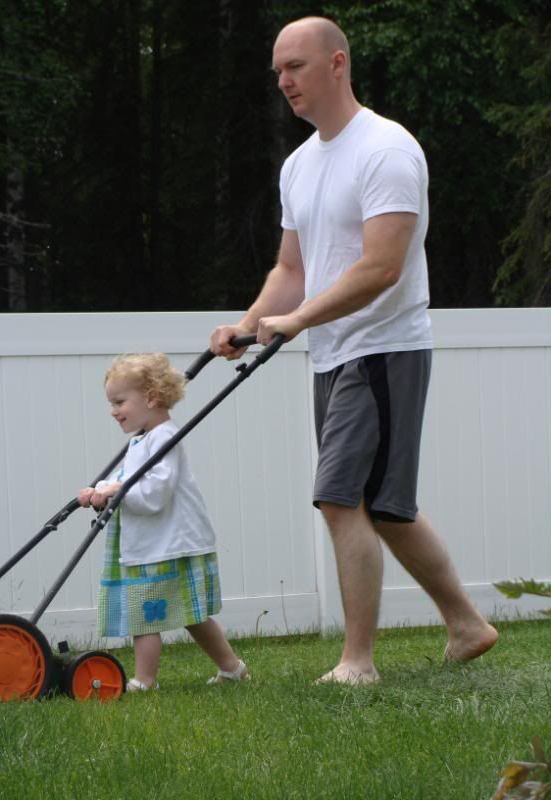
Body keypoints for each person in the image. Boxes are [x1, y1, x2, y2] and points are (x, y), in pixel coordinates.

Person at [210, 16, 497, 684]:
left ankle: (357, 662)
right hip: (335, 352)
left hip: (383, 348)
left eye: (296, 67)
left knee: (341, 498)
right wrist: (251, 322)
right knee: (386, 506)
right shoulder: (299, 164)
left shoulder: (386, 149)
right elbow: (292, 267)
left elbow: (382, 267)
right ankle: (466, 625)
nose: (283, 82)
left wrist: (298, 320)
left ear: (337, 64)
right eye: (277, 71)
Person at [78, 353, 249, 691]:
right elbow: (126, 478)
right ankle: (232, 669)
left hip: (168, 542)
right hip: (158, 541)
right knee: (192, 613)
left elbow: (155, 492)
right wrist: (98, 490)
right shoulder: (143, 439)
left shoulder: (164, 438)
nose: (113, 410)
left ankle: (145, 681)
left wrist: (115, 490)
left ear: (151, 398)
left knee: (146, 614)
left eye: (119, 401)